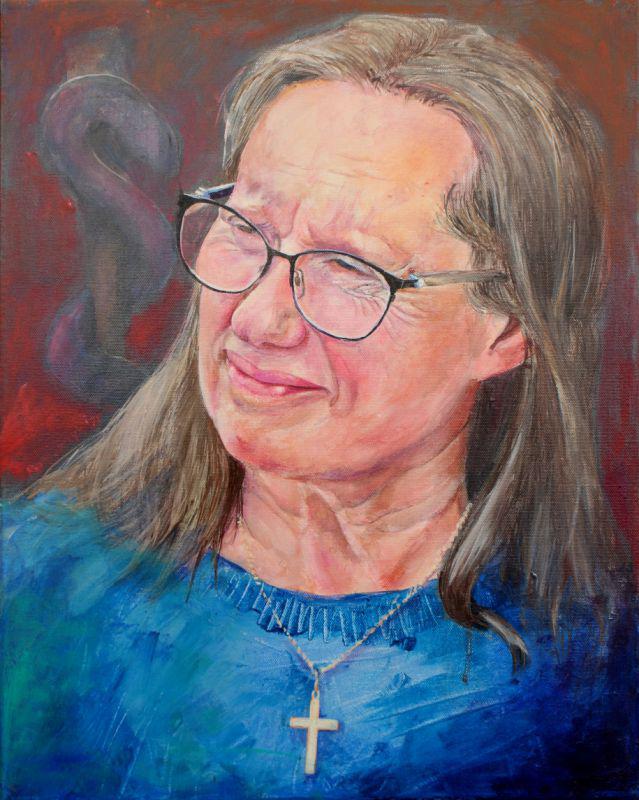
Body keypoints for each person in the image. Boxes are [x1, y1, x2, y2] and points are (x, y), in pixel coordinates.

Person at [3, 13, 637, 800]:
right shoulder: (33, 592)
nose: (258, 318)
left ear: (506, 329)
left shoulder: (590, 671)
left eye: (349, 267)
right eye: (245, 228)